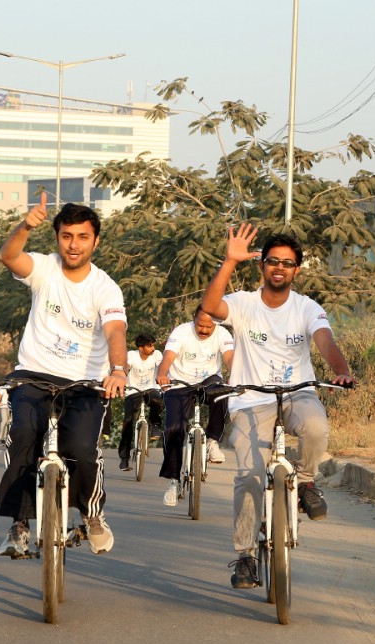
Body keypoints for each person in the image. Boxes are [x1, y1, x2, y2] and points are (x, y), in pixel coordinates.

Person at [201, 225, 355, 589]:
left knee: (316, 427)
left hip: (297, 393)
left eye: (287, 263)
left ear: (296, 270)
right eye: (273, 261)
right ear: (262, 267)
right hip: (250, 399)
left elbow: (325, 340)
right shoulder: (242, 303)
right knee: (250, 476)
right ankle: (246, 556)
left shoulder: (306, 307)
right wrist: (228, 260)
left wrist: (342, 371)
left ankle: (304, 482)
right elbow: (209, 306)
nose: (279, 268)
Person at [0, 190, 127, 558]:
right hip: (34, 375)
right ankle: (19, 525)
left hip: (84, 385)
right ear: (57, 238)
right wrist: (24, 226)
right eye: (67, 236)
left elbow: (116, 331)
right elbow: (9, 257)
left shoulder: (105, 287)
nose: (74, 245)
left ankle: (90, 513)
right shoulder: (45, 268)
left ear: (95, 241)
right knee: (22, 435)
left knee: (82, 450)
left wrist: (118, 370)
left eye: (83, 237)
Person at [156, 308, 235, 505]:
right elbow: (168, 356)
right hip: (180, 382)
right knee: (174, 428)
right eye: (201, 325)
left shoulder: (223, 334)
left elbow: (229, 357)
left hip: (209, 380)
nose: (205, 330)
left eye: (209, 326)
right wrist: (163, 373)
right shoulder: (181, 332)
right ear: (194, 320)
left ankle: (212, 441)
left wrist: (235, 374)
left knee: (222, 391)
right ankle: (174, 481)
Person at [117, 333, 163, 471]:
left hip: (151, 388)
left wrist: (164, 377)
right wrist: (122, 377)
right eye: (149, 346)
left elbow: (161, 367)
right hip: (133, 391)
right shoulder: (132, 355)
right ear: (141, 348)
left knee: (157, 400)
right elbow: (126, 366)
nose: (153, 348)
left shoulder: (157, 355)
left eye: (153, 345)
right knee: (128, 422)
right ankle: (124, 458)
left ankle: (155, 425)